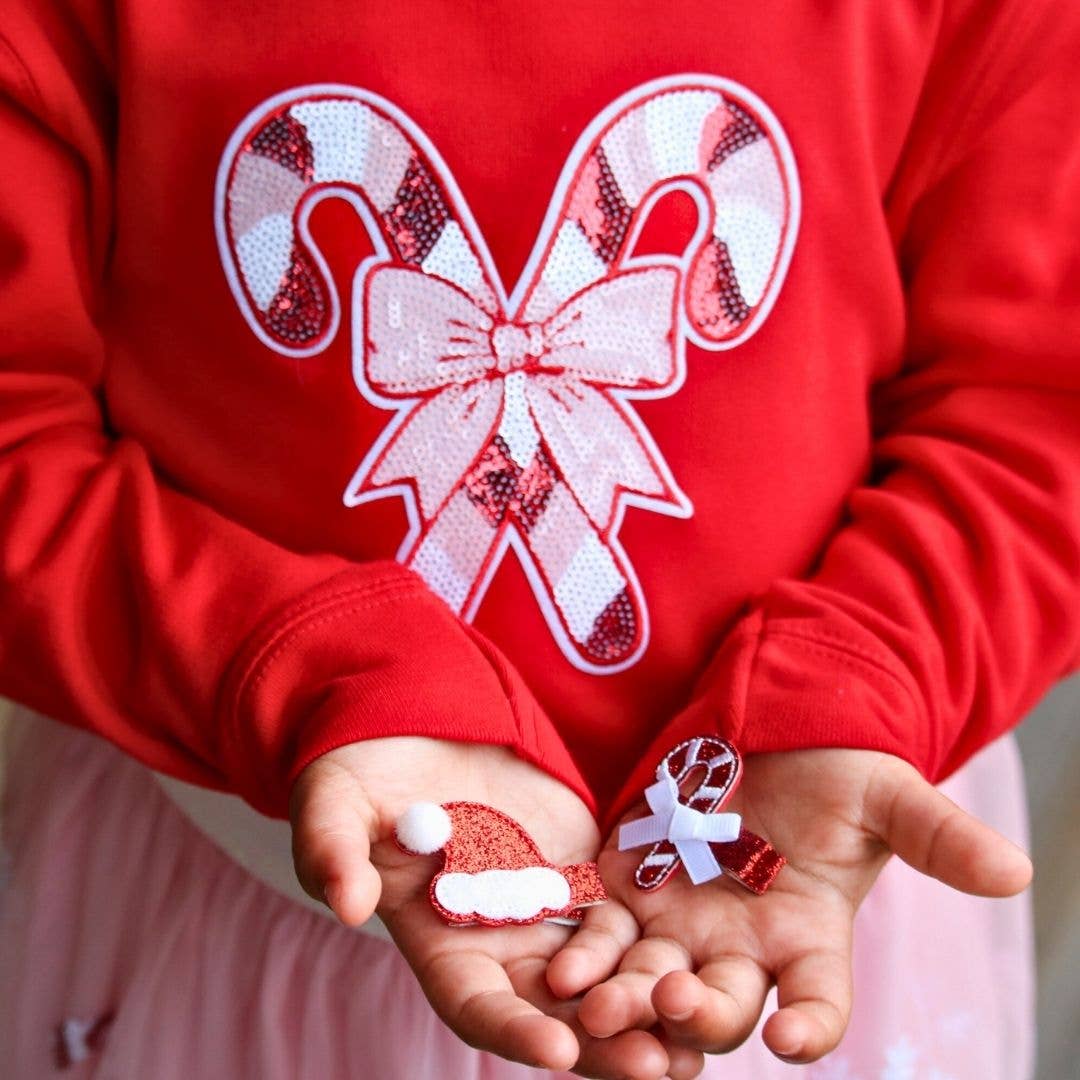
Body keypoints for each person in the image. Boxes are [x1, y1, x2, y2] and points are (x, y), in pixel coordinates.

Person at [0, 1, 1076, 1077]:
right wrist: (294, 666)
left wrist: (864, 672)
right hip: (230, 897)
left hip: (797, 888)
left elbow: (1039, 412)